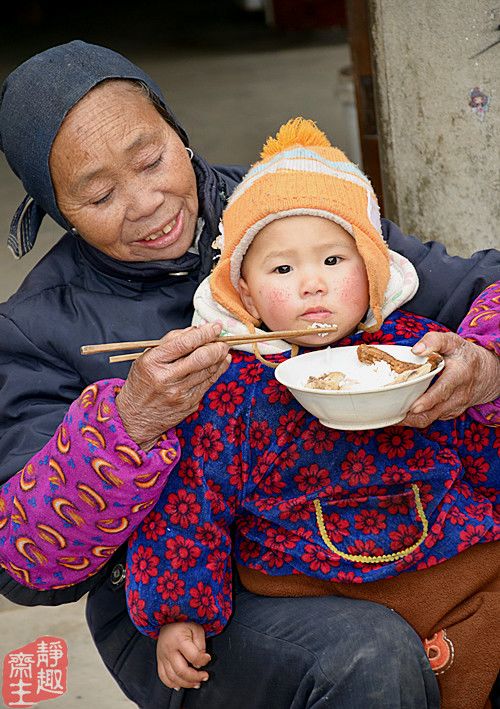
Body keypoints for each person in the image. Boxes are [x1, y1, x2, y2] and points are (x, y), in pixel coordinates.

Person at [0, 41, 498, 709]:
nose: (146, 202)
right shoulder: (37, 326)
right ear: (55, 207)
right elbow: (27, 569)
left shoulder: (291, 203)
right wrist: (129, 426)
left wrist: (484, 363)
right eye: (99, 194)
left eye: (151, 160)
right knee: (369, 654)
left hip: (375, 520)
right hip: (179, 597)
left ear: (176, 131)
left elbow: (469, 287)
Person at [125, 118, 499, 709]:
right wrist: (178, 612)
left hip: (448, 565)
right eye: (282, 269)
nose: (312, 285)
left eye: (332, 260)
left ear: (372, 268)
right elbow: (191, 501)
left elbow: (481, 449)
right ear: (244, 293)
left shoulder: (419, 352)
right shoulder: (230, 388)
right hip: (311, 586)